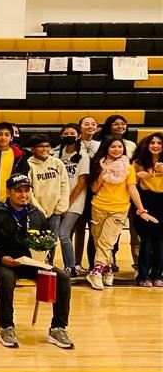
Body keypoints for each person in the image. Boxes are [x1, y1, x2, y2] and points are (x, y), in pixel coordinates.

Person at [0, 174, 75, 349]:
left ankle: (58, 328)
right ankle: (7, 327)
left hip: (31, 264)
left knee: (62, 277)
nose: (23, 195)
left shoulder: (37, 214)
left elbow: (47, 240)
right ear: (8, 192)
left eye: (26, 190)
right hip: (3, 262)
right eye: (18, 191)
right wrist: (1, 257)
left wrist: (44, 256)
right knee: (6, 279)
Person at [86, 137, 156, 289]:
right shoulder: (99, 164)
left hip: (119, 208)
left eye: (119, 146)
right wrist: (103, 172)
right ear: (107, 148)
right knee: (100, 241)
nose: (117, 149)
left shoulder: (129, 167)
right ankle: (108, 269)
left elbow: (132, 188)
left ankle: (96, 271)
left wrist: (140, 208)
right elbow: (94, 189)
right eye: (113, 147)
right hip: (98, 206)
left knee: (107, 241)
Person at [24, 135, 70, 266]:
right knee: (35, 240)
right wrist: (38, 209)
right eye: (40, 146)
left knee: (51, 240)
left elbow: (64, 185)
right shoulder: (28, 165)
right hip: (36, 210)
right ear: (32, 149)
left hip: (55, 210)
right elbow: (29, 190)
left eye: (47, 146)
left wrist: (61, 207)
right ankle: (34, 264)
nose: (44, 149)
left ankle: (49, 264)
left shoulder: (57, 163)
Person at [56, 124, 90, 275]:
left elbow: (82, 182)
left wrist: (67, 203)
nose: (69, 135)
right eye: (66, 133)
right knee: (62, 235)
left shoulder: (83, 156)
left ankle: (71, 267)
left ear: (78, 136)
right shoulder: (55, 154)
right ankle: (61, 265)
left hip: (75, 201)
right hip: (57, 199)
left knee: (63, 233)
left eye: (72, 133)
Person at [132, 133, 163, 286]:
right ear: (147, 145)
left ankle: (158, 275)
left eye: (159, 143)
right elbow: (131, 182)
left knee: (160, 241)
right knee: (146, 240)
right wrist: (142, 175)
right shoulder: (138, 162)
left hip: (161, 201)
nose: (156, 145)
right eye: (152, 143)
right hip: (145, 200)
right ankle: (143, 276)